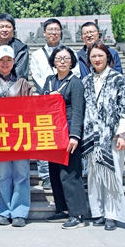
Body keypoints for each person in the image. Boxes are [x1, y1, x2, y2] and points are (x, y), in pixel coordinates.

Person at [81, 42, 125, 231]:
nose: (97, 59)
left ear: (108, 57)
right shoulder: (86, 81)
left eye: (100, 56)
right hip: (93, 138)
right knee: (94, 176)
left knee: (112, 175)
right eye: (93, 56)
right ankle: (98, 212)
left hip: (112, 137)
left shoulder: (118, 79)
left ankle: (112, 215)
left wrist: (122, 134)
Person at [29, 18, 80, 189]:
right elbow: (36, 76)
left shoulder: (70, 52)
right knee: (44, 137)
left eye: (56, 29)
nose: (53, 33)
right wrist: (50, 92)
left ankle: (70, 173)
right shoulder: (36, 55)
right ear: (44, 33)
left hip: (67, 102)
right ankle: (46, 176)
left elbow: (76, 74)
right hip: (45, 101)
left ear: (61, 32)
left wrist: (61, 92)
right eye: (50, 30)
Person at [0, 45, 32, 228]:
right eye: (1, 60)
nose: (5, 64)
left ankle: (19, 212)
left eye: (8, 60)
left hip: (20, 134)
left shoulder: (23, 84)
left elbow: (31, 109)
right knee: (3, 175)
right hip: (0, 135)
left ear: (14, 62)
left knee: (21, 174)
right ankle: (4, 211)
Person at [43, 46, 88, 229]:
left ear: (72, 62)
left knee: (70, 174)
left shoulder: (75, 82)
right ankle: (62, 209)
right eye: (59, 58)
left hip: (68, 133)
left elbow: (78, 111)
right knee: (55, 173)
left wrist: (75, 136)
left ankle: (77, 214)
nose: (62, 61)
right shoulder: (49, 81)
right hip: (52, 133)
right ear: (53, 61)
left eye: (66, 58)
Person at [0, 13, 29, 81]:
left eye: (8, 27)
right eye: (1, 27)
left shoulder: (21, 49)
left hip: (15, 85)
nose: (4, 30)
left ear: (13, 29)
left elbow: (20, 75)